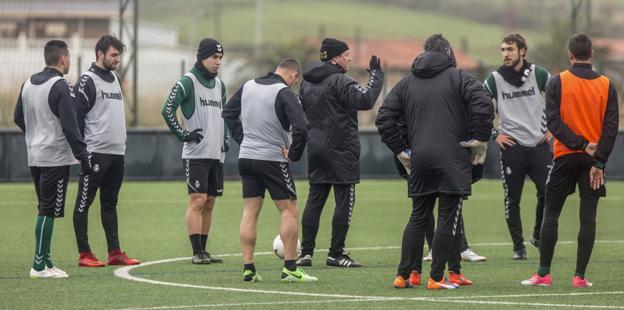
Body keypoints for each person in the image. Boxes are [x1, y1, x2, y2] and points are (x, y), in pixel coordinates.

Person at [376, 34, 493, 289]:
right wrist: (480, 139)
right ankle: (437, 277)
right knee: (448, 217)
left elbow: (383, 116)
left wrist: (400, 150)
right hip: (452, 157)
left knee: (418, 216)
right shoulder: (460, 78)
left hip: (419, 158)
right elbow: (484, 103)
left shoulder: (407, 82)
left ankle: (404, 275)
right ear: (449, 53)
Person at [522, 33, 618, 288]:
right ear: (592, 54)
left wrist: (579, 144)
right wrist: (599, 161)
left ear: (570, 55)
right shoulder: (607, 85)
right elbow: (611, 128)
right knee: (589, 218)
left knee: (551, 214)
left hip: (565, 156)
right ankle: (580, 277)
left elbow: (553, 123)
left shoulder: (557, 82)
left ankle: (543, 274)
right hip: (593, 161)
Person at [223, 58, 316, 282]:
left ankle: (248, 268)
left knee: (250, 211)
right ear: (293, 75)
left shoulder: (248, 86)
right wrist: (293, 155)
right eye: (295, 80)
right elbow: (302, 127)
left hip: (246, 157)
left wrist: (243, 139)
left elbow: (228, 113)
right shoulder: (284, 92)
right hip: (272, 159)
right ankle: (290, 269)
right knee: (289, 209)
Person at [296, 38, 384, 268]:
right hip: (341, 149)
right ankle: (336, 253)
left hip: (315, 148)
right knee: (344, 201)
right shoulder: (340, 81)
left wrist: (297, 149)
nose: (350, 59)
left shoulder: (306, 83)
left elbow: (300, 117)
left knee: (315, 200)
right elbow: (365, 100)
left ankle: (305, 253)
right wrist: (376, 76)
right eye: (346, 55)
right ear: (335, 58)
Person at [14, 40, 91, 278]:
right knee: (48, 210)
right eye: (68, 58)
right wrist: (82, 155)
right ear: (63, 59)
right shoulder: (61, 86)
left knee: (44, 208)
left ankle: (46, 261)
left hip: (35, 155)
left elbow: (18, 117)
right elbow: (70, 125)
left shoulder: (27, 83)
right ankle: (38, 266)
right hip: (55, 158)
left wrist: (36, 135)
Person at [72, 35, 140, 267]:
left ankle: (115, 252)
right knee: (84, 203)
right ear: (100, 54)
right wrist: (82, 152)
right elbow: (76, 117)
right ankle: (84, 254)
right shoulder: (87, 80)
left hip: (116, 154)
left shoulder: (114, 79)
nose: (117, 59)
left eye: (119, 55)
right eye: (113, 54)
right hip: (95, 153)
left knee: (109, 203)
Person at [483, 33, 552, 260]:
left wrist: (552, 129)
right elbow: (479, 110)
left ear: (522, 51)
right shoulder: (493, 79)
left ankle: (537, 236)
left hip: (539, 144)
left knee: (547, 193)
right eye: (502, 50)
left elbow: (560, 101)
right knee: (512, 199)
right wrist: (495, 135)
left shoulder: (540, 74)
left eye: (510, 49)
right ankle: (518, 246)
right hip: (512, 146)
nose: (505, 54)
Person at [161, 38, 228, 264]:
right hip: (196, 154)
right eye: (213, 58)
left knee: (210, 202)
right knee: (197, 200)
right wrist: (183, 134)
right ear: (202, 57)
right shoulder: (187, 82)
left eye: (220, 58)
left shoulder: (220, 85)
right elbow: (167, 109)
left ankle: (204, 250)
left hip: (216, 154)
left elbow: (225, 116)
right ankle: (196, 252)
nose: (217, 62)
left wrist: (225, 137)